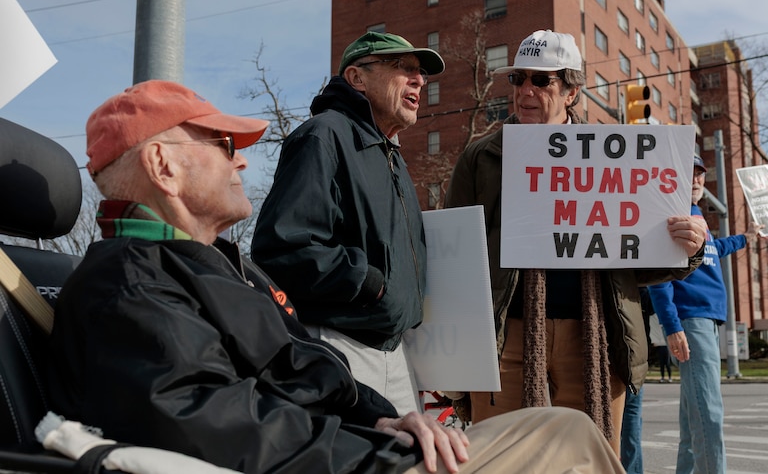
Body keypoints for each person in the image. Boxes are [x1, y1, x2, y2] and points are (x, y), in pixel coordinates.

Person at [46, 79, 627, 474]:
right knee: (569, 435)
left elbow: (301, 368)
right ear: (163, 166)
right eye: (223, 144)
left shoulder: (220, 264)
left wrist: (385, 415)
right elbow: (210, 427)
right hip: (348, 464)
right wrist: (375, 448)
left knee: (564, 424)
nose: (243, 160)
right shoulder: (126, 285)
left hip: (356, 445)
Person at [443, 29, 708, 455]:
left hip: (595, 336)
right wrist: (450, 351)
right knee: (498, 460)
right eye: (518, 79)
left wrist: (686, 249)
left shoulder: (617, 155)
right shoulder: (482, 157)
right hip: (505, 338)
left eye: (541, 80)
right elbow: (451, 255)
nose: (526, 91)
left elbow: (634, 262)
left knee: (588, 460)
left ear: (571, 91)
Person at [250, 31, 443, 415]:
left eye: (420, 73)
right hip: (342, 347)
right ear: (357, 78)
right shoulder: (323, 136)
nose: (419, 80)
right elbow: (282, 247)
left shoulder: (391, 154)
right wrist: (367, 282)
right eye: (403, 68)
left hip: (395, 352)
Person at [647, 155, 763, 474]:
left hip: (707, 320)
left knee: (693, 417)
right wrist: (672, 325)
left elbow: (715, 249)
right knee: (709, 413)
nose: (696, 180)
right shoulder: (673, 216)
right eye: (688, 174)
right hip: (690, 320)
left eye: (699, 174)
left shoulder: (697, 215)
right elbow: (659, 275)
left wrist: (747, 238)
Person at [619, 287, 653, 474]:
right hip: (635, 360)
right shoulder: (644, 289)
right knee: (631, 421)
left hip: (628, 360)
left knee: (626, 421)